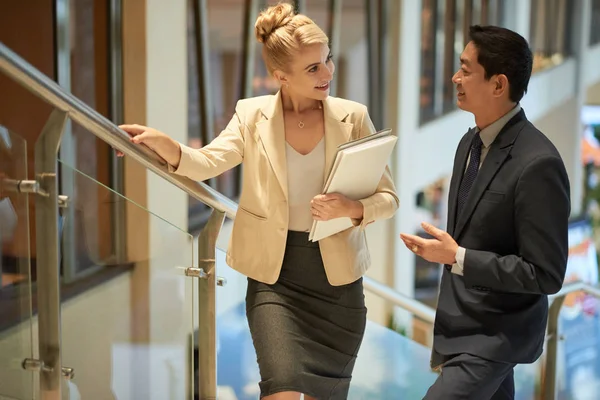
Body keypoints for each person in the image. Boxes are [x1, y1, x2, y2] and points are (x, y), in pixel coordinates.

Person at [119, 3, 399, 399]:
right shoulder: (251, 115)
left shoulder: (353, 117)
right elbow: (209, 161)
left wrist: (352, 209)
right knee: (279, 387)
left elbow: (388, 198)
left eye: (328, 60)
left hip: (338, 285)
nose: (328, 73)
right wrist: (169, 146)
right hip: (275, 281)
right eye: (313, 68)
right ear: (280, 76)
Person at [400, 25, 570, 400]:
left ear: (498, 84)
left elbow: (546, 274)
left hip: (497, 335)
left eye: (466, 69)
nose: (454, 78)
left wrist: (457, 257)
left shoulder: (538, 163)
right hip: (461, 327)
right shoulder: (469, 143)